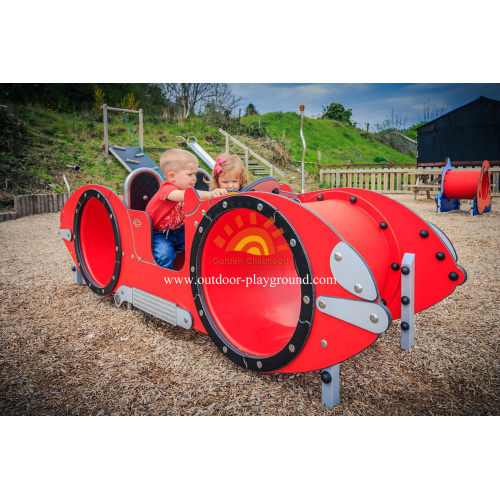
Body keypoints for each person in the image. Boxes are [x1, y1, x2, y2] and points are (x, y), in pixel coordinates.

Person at [146, 149, 226, 269]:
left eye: (195, 174)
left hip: (179, 230)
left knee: (200, 244)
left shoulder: (186, 190)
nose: (195, 178)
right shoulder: (167, 189)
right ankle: (165, 281)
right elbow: (186, 196)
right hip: (159, 233)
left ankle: (200, 273)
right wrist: (210, 194)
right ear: (172, 176)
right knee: (164, 254)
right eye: (190, 174)